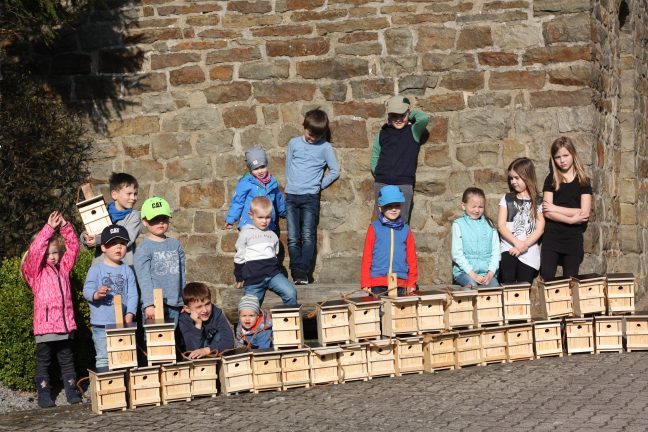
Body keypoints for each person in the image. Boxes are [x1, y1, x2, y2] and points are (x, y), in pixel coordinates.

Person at [21, 211, 81, 408]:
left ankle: (72, 392)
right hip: (45, 328)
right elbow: (36, 250)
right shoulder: (35, 273)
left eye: (55, 252)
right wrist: (48, 229)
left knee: (67, 360)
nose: (52, 257)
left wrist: (64, 226)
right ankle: (44, 395)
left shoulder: (63, 268)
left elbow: (73, 247)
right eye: (48, 254)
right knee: (44, 362)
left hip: (64, 326)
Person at [285, 108, 339, 284]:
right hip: (292, 195)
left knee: (308, 235)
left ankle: (303, 272)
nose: (312, 138)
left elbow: (334, 171)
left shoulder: (325, 147)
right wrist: (290, 184)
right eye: (310, 133)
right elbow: (288, 166)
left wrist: (318, 185)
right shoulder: (293, 143)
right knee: (293, 236)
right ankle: (295, 271)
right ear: (304, 126)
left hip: (310, 197)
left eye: (317, 135)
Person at [83, 225, 138, 372]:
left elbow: (133, 294)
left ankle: (124, 388)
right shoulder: (96, 269)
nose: (118, 247)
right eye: (113, 243)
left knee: (124, 356)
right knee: (103, 357)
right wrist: (96, 294)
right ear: (103, 248)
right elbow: (86, 290)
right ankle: (107, 389)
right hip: (101, 325)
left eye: (122, 243)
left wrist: (130, 314)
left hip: (121, 324)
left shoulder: (128, 270)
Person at [540, 136, 593, 281]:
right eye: (558, 157)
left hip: (573, 238)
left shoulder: (583, 180)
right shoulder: (551, 178)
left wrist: (555, 208)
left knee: (571, 282)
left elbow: (584, 213)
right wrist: (571, 219)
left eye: (565, 155)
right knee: (547, 278)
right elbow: (547, 212)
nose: (562, 160)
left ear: (573, 154)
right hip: (552, 237)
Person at [371, 95, 430, 223]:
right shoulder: (382, 133)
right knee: (381, 222)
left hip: (404, 184)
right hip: (382, 183)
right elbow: (375, 154)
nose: (398, 119)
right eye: (394, 115)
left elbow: (423, 119)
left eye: (402, 115)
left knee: (401, 223)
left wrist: (409, 112)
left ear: (408, 113)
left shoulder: (414, 131)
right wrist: (378, 173)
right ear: (389, 116)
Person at [234, 197, 297, 306]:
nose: (264, 221)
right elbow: (239, 256)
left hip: (273, 275)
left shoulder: (272, 235)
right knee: (249, 307)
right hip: (253, 279)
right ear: (251, 215)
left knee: (291, 292)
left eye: (267, 217)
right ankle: (244, 324)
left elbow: (275, 254)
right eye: (260, 217)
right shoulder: (245, 233)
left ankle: (289, 320)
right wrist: (239, 277)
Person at [134, 196, 186, 324]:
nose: (160, 222)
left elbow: (182, 274)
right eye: (155, 219)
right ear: (145, 222)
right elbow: (144, 278)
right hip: (155, 305)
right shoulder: (144, 249)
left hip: (175, 303)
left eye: (164, 218)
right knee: (155, 340)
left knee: (171, 339)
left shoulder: (175, 245)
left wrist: (184, 299)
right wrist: (148, 304)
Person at [361, 186, 418, 297]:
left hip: (401, 283)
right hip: (377, 283)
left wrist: (412, 282)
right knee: (380, 313)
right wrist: (365, 282)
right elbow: (367, 257)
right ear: (380, 208)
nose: (393, 209)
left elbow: (411, 258)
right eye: (389, 206)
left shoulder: (406, 229)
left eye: (397, 205)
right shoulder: (374, 228)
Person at [497, 158, 545, 284]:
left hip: (529, 250)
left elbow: (540, 229)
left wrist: (523, 246)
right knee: (507, 283)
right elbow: (501, 226)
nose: (513, 182)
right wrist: (516, 243)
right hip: (509, 247)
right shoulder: (507, 199)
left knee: (523, 288)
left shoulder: (538, 201)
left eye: (516, 178)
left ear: (527, 176)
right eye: (511, 178)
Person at [80, 172, 141, 266]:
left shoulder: (133, 216)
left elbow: (125, 239)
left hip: (122, 268)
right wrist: (86, 237)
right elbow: (91, 230)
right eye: (129, 194)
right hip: (100, 266)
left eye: (135, 194)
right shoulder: (103, 211)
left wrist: (98, 240)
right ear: (114, 195)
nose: (133, 198)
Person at [225, 146, 286, 231]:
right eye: (256, 168)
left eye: (262, 167)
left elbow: (278, 199)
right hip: (250, 224)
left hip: (267, 223)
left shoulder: (272, 182)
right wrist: (230, 219)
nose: (260, 171)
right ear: (250, 169)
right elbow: (238, 202)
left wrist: (284, 212)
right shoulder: (245, 182)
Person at [452, 187, 500, 288]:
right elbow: (457, 254)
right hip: (464, 273)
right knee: (472, 286)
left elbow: (496, 252)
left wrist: (490, 274)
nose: (477, 210)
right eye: (473, 206)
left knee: (494, 287)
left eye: (480, 207)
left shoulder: (490, 225)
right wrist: (473, 275)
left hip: (486, 274)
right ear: (463, 206)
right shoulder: (458, 224)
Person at [177, 282, 235, 359]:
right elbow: (192, 351)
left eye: (207, 304)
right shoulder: (184, 320)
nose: (205, 310)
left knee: (219, 335)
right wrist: (198, 325)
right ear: (187, 309)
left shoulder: (216, 313)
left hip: (214, 354)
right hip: (195, 363)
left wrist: (206, 351)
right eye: (199, 307)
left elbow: (229, 341)